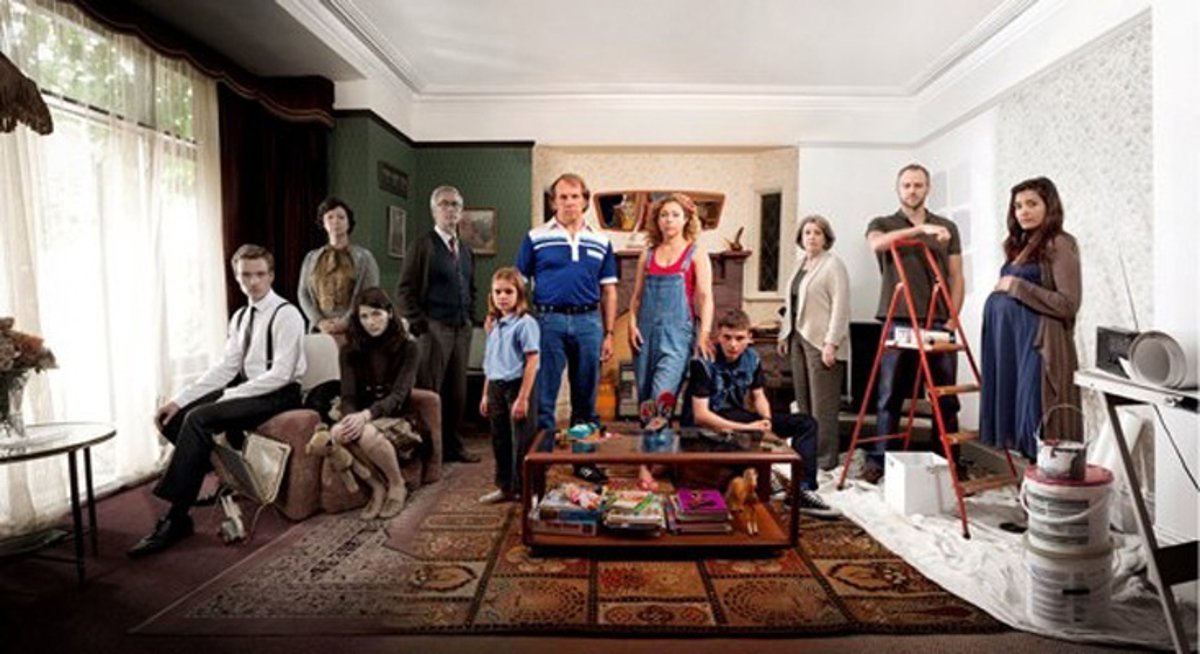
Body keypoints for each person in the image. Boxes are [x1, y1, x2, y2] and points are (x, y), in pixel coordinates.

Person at [130, 244, 306, 557]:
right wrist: (179, 400)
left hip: (280, 393)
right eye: (245, 275)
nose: (253, 282)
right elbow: (226, 368)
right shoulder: (240, 317)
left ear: (271, 275)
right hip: (249, 387)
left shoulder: (287, 314)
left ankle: (177, 517)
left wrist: (230, 394)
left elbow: (281, 374)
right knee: (173, 418)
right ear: (237, 277)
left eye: (260, 274)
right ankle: (219, 475)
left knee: (199, 418)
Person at [863, 163, 963, 483]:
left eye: (918, 185)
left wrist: (953, 318)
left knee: (944, 397)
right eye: (906, 185)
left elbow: (956, 276)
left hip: (938, 320)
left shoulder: (948, 227)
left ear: (928, 188)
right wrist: (920, 231)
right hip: (897, 319)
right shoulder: (882, 223)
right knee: (889, 395)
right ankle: (879, 461)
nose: (912, 190)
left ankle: (948, 462)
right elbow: (877, 243)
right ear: (898, 189)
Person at [515, 173, 617, 484]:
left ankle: (583, 462)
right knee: (544, 398)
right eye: (563, 197)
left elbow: (609, 290)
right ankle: (542, 463)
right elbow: (517, 283)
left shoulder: (601, 241)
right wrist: (503, 315)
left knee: (585, 398)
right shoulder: (535, 237)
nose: (569, 202)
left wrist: (609, 333)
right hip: (548, 322)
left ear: (584, 200)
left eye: (575, 196)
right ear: (553, 202)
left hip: (589, 323)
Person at [688, 309, 839, 518]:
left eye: (739, 338)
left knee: (806, 423)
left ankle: (802, 490)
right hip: (709, 425)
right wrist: (750, 428)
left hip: (740, 418)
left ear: (749, 337)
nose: (733, 345)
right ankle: (762, 476)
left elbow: (758, 396)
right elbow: (701, 416)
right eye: (727, 338)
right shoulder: (704, 361)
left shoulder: (752, 359)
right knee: (744, 435)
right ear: (717, 337)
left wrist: (766, 421)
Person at [980, 177, 1082, 458]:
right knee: (1019, 422)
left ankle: (1046, 481)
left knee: (1036, 420)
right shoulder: (1021, 246)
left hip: (1038, 345)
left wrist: (1016, 286)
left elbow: (1068, 304)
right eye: (1018, 206)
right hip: (1010, 346)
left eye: (1032, 204)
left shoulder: (1060, 243)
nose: (1023, 211)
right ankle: (1029, 481)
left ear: (1049, 206)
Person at [628, 193, 713, 489]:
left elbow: (705, 297)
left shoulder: (695, 254)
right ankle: (654, 456)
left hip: (678, 334)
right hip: (645, 334)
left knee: (662, 396)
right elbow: (636, 297)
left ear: (687, 219)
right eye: (664, 215)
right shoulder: (648, 254)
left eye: (675, 215)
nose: (669, 220)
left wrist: (704, 333)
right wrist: (631, 324)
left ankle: (646, 465)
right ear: (657, 220)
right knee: (645, 400)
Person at [397, 185, 480, 463]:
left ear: (461, 211)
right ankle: (430, 452)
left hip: (461, 329)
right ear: (434, 210)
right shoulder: (423, 246)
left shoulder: (465, 250)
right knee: (431, 392)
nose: (450, 209)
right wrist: (420, 325)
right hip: (433, 329)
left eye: (455, 204)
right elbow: (404, 290)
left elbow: (471, 288)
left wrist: (470, 318)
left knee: (457, 393)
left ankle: (453, 447)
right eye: (444, 204)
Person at [330, 287, 427, 519]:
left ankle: (397, 484)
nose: (370, 322)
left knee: (366, 434)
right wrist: (350, 418)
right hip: (363, 414)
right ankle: (377, 486)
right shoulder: (349, 350)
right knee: (337, 434)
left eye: (376, 314)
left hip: (398, 416)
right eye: (364, 316)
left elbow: (399, 395)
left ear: (389, 313)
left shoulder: (409, 347)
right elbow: (348, 396)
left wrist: (365, 416)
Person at [778, 215, 850, 471]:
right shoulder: (800, 265)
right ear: (801, 237)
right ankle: (806, 455)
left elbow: (841, 306)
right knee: (804, 403)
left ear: (825, 238)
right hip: (798, 337)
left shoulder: (833, 265)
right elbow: (791, 304)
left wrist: (832, 343)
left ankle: (824, 461)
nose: (811, 237)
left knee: (823, 407)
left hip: (822, 342)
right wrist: (784, 334)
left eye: (817, 233)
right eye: (807, 232)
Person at [478, 268, 540, 503]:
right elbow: (490, 361)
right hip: (496, 385)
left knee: (522, 441)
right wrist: (485, 394)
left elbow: (532, 360)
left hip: (517, 386)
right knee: (500, 439)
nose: (502, 297)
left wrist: (523, 398)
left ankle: (527, 490)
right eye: (497, 292)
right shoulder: (494, 324)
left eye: (508, 292)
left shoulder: (525, 323)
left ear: (519, 294)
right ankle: (505, 487)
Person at [298, 197, 381, 336]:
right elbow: (303, 293)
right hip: (320, 330)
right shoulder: (311, 258)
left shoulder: (364, 258)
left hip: (353, 331)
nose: (335, 221)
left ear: (348, 223)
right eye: (330, 217)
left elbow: (368, 296)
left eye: (341, 217)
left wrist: (345, 322)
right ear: (323, 223)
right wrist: (319, 321)